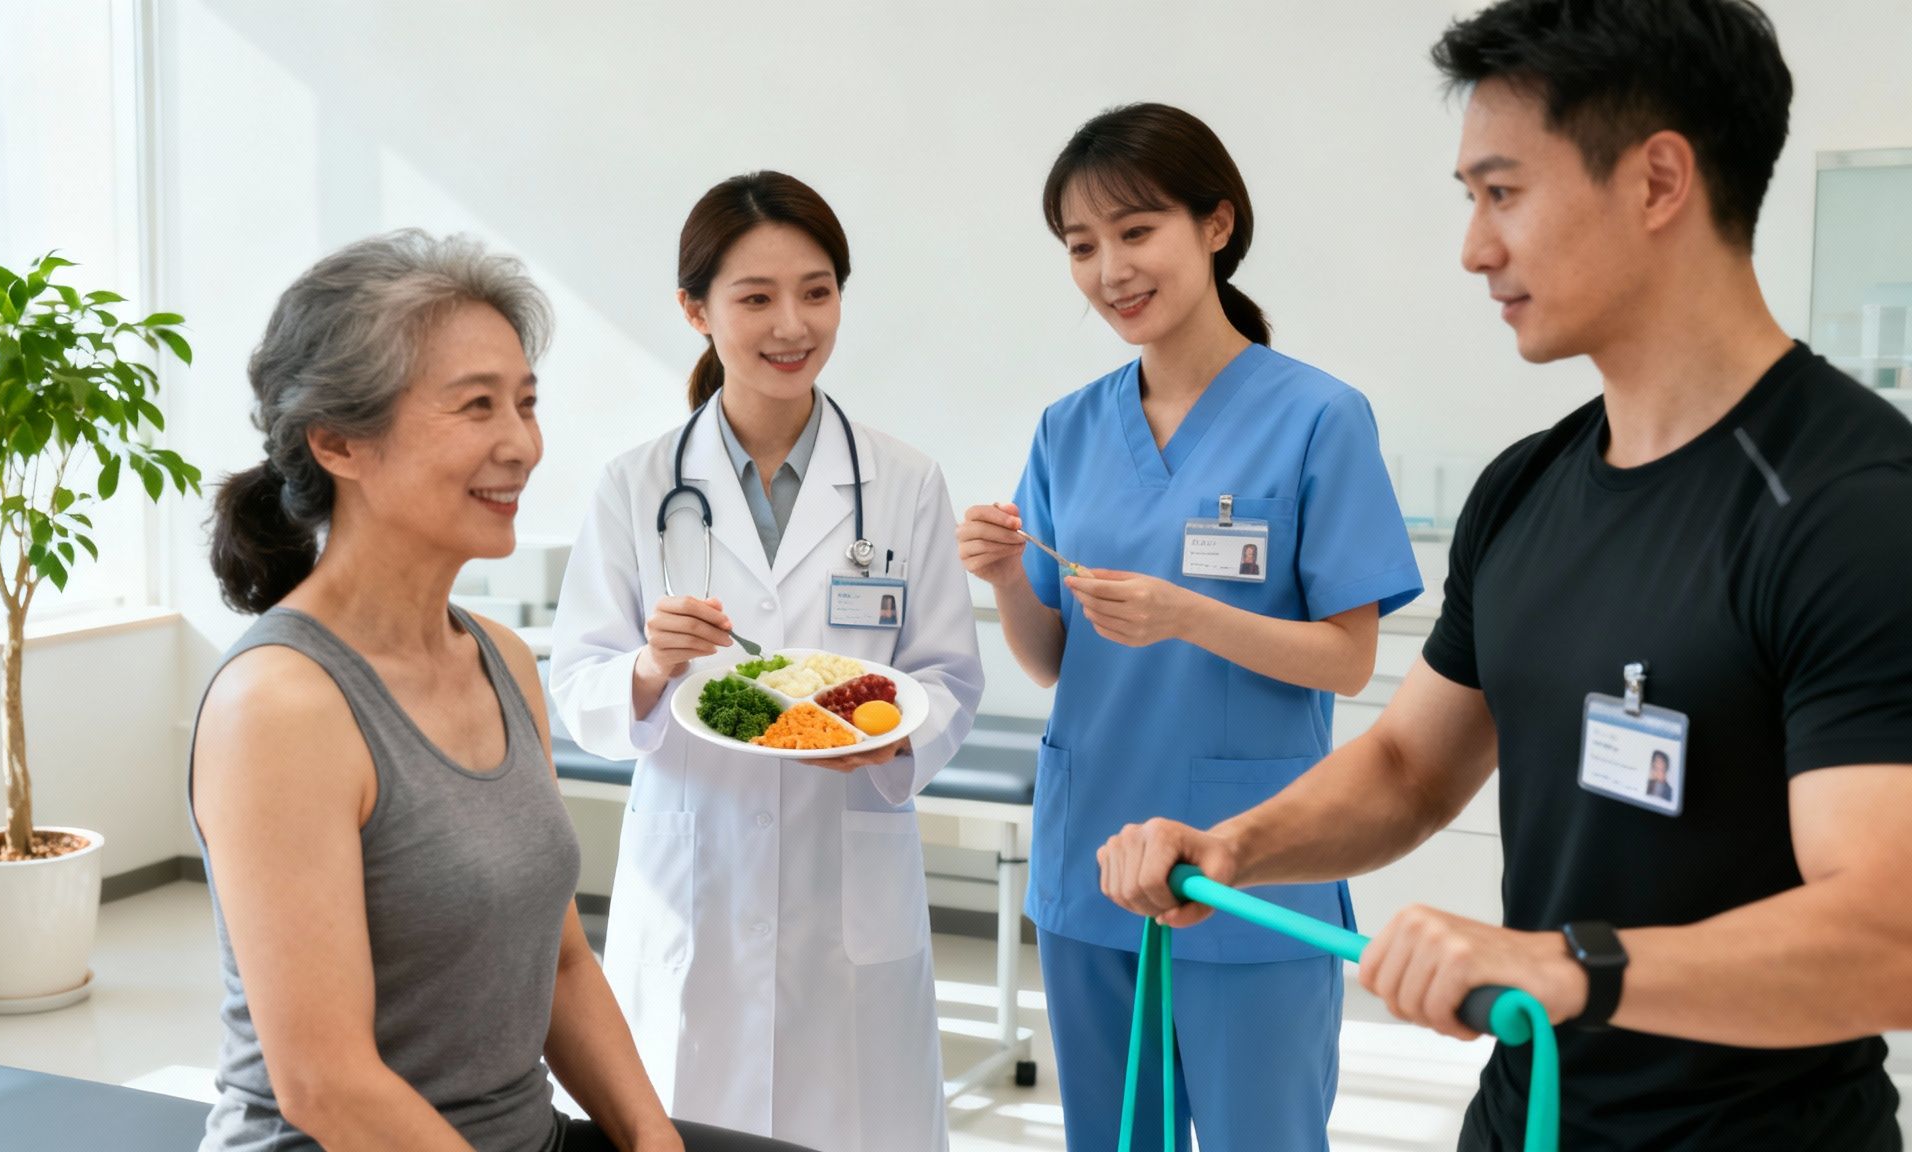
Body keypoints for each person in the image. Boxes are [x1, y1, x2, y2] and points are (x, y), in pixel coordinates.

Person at [1098, 2, 1912, 1148]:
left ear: (1656, 181)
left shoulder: (1851, 509)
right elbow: (1406, 767)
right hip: (1527, 1112)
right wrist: (1236, 845)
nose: (1474, 247)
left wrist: (1567, 964)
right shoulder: (1526, 488)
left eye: (1501, 193)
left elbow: (1891, 935)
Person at [192, 231, 811, 1152]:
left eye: (524, 404)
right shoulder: (282, 706)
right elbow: (327, 1088)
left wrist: (652, 1140)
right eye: (475, 407)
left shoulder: (502, 659)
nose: (520, 445)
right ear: (337, 442)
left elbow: (560, 966)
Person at [956, 104, 1421, 1150]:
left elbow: (1347, 663)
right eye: (1080, 247)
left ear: (1214, 225)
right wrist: (1003, 580)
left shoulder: (1316, 417)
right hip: (1093, 859)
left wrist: (1184, 615)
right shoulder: (1068, 428)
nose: (1109, 269)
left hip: (1248, 865)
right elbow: (1048, 663)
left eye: (1134, 232)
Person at [549, 172, 983, 1152]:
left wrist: (889, 751)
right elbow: (578, 687)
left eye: (817, 291)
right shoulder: (637, 487)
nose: (791, 323)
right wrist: (650, 671)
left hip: (848, 878)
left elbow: (949, 678)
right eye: (754, 297)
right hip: (693, 886)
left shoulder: (903, 482)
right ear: (694, 310)